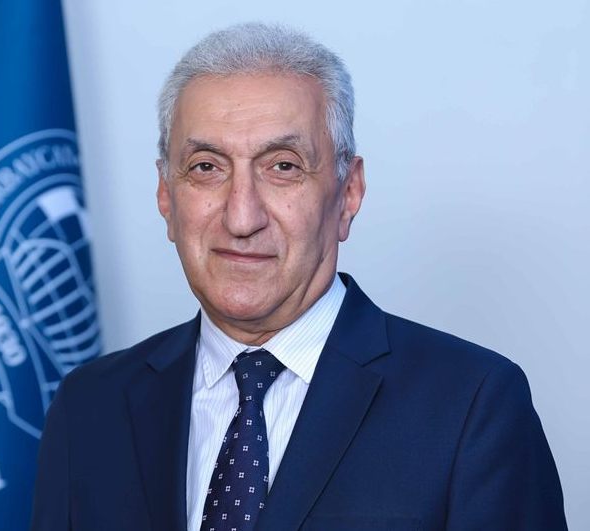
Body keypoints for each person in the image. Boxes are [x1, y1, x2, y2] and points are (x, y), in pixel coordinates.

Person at [30, 23, 567, 531]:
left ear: (348, 193)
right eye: (206, 167)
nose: (242, 217)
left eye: (283, 166)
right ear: (166, 196)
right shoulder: (89, 407)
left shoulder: (472, 405)